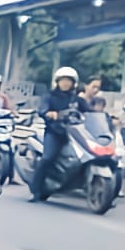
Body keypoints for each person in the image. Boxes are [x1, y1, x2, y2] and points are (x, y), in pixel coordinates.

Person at [28, 66, 89, 202]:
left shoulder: (77, 99)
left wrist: (109, 117)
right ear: (58, 82)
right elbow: (42, 109)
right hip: (55, 132)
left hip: (75, 134)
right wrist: (49, 113)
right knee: (47, 158)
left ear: (74, 83)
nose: (65, 83)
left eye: (68, 81)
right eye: (63, 80)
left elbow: (90, 112)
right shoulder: (49, 96)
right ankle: (36, 190)